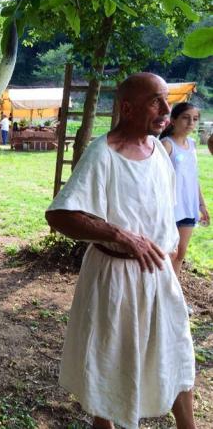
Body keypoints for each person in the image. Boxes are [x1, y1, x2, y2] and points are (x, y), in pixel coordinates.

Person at [45, 73, 196, 429]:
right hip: (115, 277)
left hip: (158, 275)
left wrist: (171, 256)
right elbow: (60, 215)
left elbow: (160, 210)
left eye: (166, 100)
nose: (165, 110)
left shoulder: (158, 149)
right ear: (126, 108)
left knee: (176, 351)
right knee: (112, 359)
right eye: (154, 101)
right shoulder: (103, 154)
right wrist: (120, 235)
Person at [160, 103, 209, 276]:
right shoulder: (165, 145)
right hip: (169, 209)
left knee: (180, 254)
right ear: (173, 120)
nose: (190, 123)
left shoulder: (193, 144)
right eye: (185, 118)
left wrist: (202, 206)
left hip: (188, 207)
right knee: (166, 254)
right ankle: (157, 297)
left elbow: (192, 178)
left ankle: (174, 298)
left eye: (195, 119)